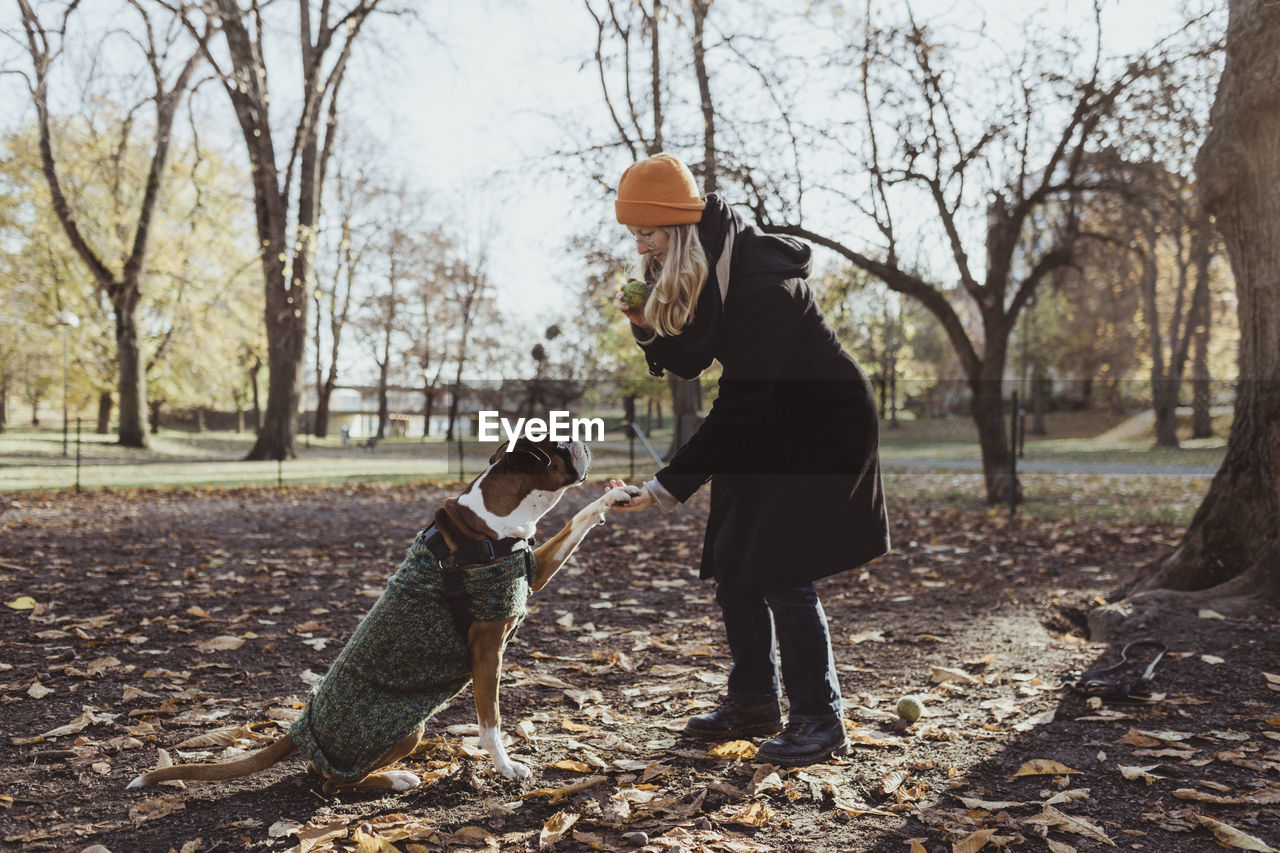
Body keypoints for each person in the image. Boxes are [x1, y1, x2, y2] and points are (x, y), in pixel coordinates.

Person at [610, 153, 890, 767]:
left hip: (820, 423)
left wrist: (662, 488)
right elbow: (691, 361)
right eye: (633, 233)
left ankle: (820, 718)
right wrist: (646, 329)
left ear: (678, 226)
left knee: (780, 567)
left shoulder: (761, 277)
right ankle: (754, 700)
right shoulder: (709, 258)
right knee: (735, 556)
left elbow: (738, 407)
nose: (641, 247)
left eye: (648, 232)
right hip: (769, 414)